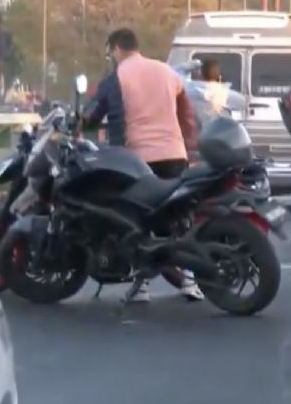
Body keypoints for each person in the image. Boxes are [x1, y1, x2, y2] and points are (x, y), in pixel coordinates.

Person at [84, 28, 202, 302]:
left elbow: (91, 116)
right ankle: (190, 280)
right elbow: (187, 113)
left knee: (134, 223)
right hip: (174, 155)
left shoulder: (116, 78)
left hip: (136, 162)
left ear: (115, 49)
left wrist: (81, 125)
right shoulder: (166, 72)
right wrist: (188, 145)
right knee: (177, 219)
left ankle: (143, 286)